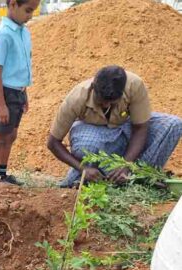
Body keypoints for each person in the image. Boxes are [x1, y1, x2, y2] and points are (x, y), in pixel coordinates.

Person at [47, 66, 182, 187]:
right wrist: (83, 168)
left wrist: (126, 164)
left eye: (111, 102)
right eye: (102, 101)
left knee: (173, 125)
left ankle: (138, 177)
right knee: (86, 145)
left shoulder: (134, 85)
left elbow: (140, 128)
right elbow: (53, 142)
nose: (106, 106)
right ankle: (94, 178)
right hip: (95, 136)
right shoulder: (77, 98)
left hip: (124, 132)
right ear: (93, 86)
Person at [0, 0, 40, 185]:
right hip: (4, 92)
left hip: (18, 92)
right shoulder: (3, 34)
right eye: (27, 10)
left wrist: (24, 94)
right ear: (13, 4)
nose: (30, 15)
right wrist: (1, 104)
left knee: (11, 135)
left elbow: (22, 67)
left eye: (33, 11)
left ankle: (3, 173)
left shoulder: (24, 32)